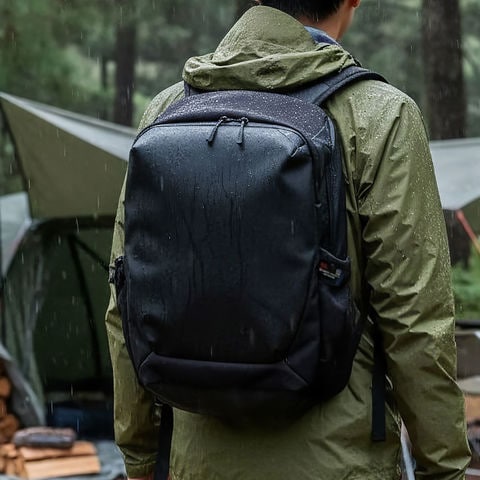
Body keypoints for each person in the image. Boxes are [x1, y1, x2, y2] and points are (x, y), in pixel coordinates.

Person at [105, 1, 472, 478]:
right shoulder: (380, 115)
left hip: (198, 462)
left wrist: (140, 455)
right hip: (340, 462)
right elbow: (416, 321)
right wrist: (443, 468)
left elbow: (126, 302)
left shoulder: (169, 110)